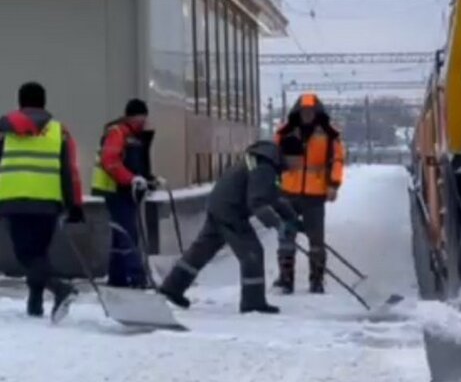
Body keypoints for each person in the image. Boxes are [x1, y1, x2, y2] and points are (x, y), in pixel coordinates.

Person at [158, 141, 298, 315]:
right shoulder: (264, 167)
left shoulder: (264, 162)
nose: (298, 166)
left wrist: (291, 219)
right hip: (231, 210)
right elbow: (257, 201)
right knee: (252, 252)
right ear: (290, 156)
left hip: (220, 203)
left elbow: (273, 197)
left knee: (202, 250)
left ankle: (172, 287)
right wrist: (278, 224)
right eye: (298, 161)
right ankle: (253, 302)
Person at [0, 81, 83, 319]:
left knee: (27, 255)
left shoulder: (6, 129)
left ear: (20, 102)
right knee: (39, 253)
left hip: (15, 199)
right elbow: (70, 170)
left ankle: (60, 288)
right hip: (48, 202)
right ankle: (34, 304)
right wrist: (74, 204)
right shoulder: (59, 130)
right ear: (44, 102)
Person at [273, 93, 346, 295]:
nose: (307, 115)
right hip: (288, 193)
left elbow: (337, 160)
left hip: (315, 194)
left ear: (317, 112)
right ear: (297, 112)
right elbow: (274, 158)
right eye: (304, 112)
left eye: (311, 112)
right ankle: (286, 279)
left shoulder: (330, 133)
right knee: (286, 237)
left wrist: (334, 184)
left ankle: (317, 280)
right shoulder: (284, 132)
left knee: (316, 240)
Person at [91, 98, 159, 288]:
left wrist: (149, 179)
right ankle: (137, 277)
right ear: (129, 117)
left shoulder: (135, 136)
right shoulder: (118, 133)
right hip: (114, 190)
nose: (142, 122)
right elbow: (110, 161)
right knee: (128, 234)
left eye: (144, 119)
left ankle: (117, 277)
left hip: (125, 191)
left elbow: (134, 164)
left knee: (121, 234)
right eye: (139, 118)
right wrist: (131, 179)